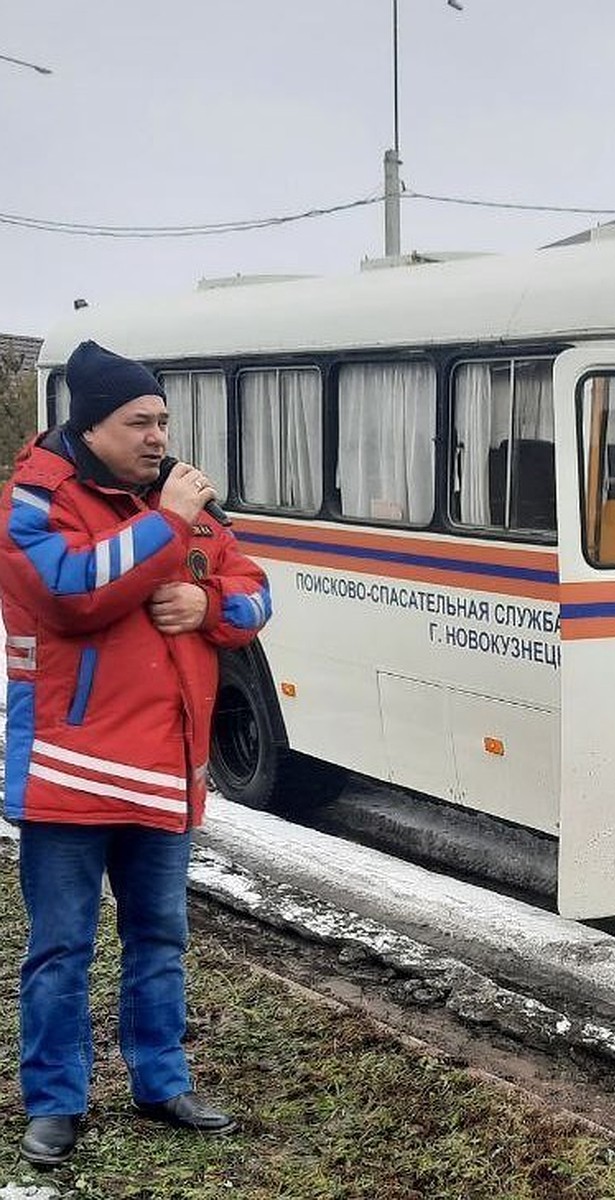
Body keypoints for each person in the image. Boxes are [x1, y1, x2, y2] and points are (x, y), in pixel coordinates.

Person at [0, 340, 272, 1167]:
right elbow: (73, 594)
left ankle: (161, 1080)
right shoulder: (33, 502)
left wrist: (210, 599)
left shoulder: (181, 500)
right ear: (90, 426)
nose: (159, 437)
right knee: (60, 948)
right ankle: (55, 1102)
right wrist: (169, 526)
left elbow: (257, 591)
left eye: (163, 420)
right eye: (138, 422)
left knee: (160, 939)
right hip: (68, 775)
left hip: (167, 773)